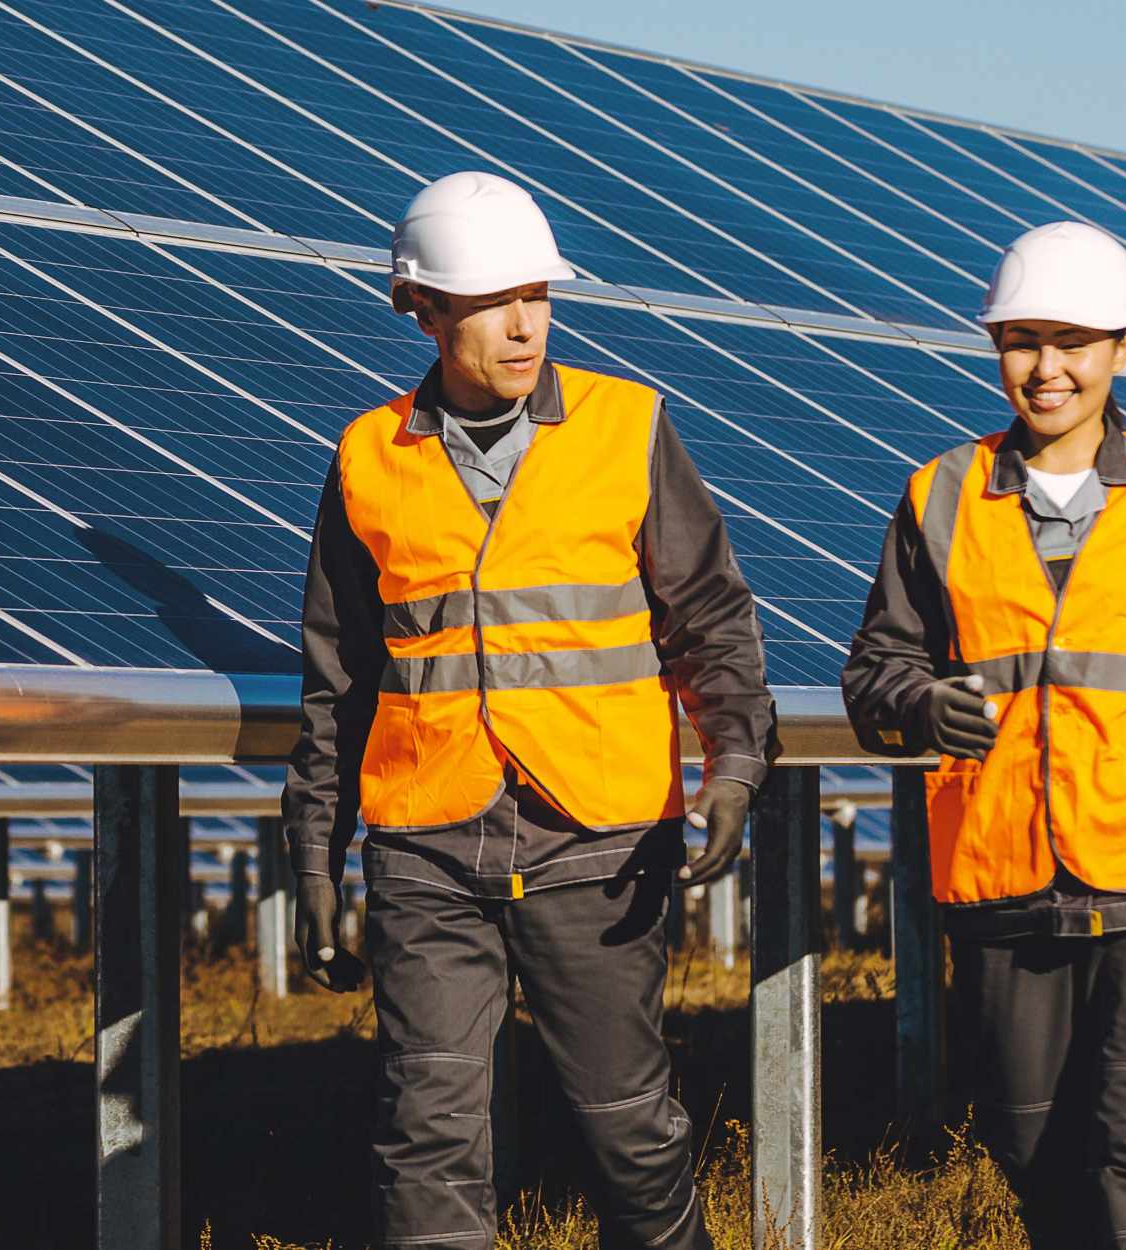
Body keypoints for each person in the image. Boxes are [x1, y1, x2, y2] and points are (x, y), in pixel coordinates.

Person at [281, 170, 774, 1250]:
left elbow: (711, 624)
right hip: (424, 842)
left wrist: (733, 765)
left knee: (628, 1126)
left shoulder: (626, 428)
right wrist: (313, 859)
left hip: (596, 839)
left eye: (537, 296)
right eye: (491, 301)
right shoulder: (368, 458)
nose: (523, 325)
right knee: (426, 1128)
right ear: (421, 308)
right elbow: (339, 680)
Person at [840, 221, 1126, 1248]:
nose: (1045, 369)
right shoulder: (938, 493)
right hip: (1002, 872)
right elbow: (874, 669)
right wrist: (919, 704)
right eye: (1020, 340)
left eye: (1073, 341)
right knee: (1029, 1140)